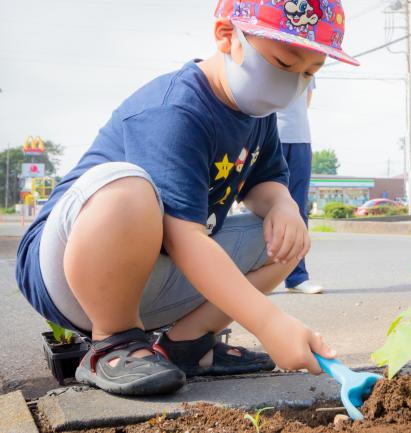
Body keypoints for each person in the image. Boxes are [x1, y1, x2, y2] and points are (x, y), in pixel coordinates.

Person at [15, 0, 359, 396]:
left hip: (151, 272)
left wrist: (282, 205)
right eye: (284, 64)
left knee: (287, 242)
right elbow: (185, 239)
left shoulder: (258, 116)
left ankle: (188, 346)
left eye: (309, 74)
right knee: (128, 190)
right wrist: (269, 323)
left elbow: (266, 182)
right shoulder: (176, 109)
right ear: (228, 35)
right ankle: (114, 341)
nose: (293, 84)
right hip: (70, 273)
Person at [277, 79, 324, 294]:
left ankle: (296, 276)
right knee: (261, 209)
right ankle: (253, 278)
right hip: (271, 138)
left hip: (301, 139)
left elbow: (306, 101)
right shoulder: (271, 56)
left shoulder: (309, 66)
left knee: (298, 209)